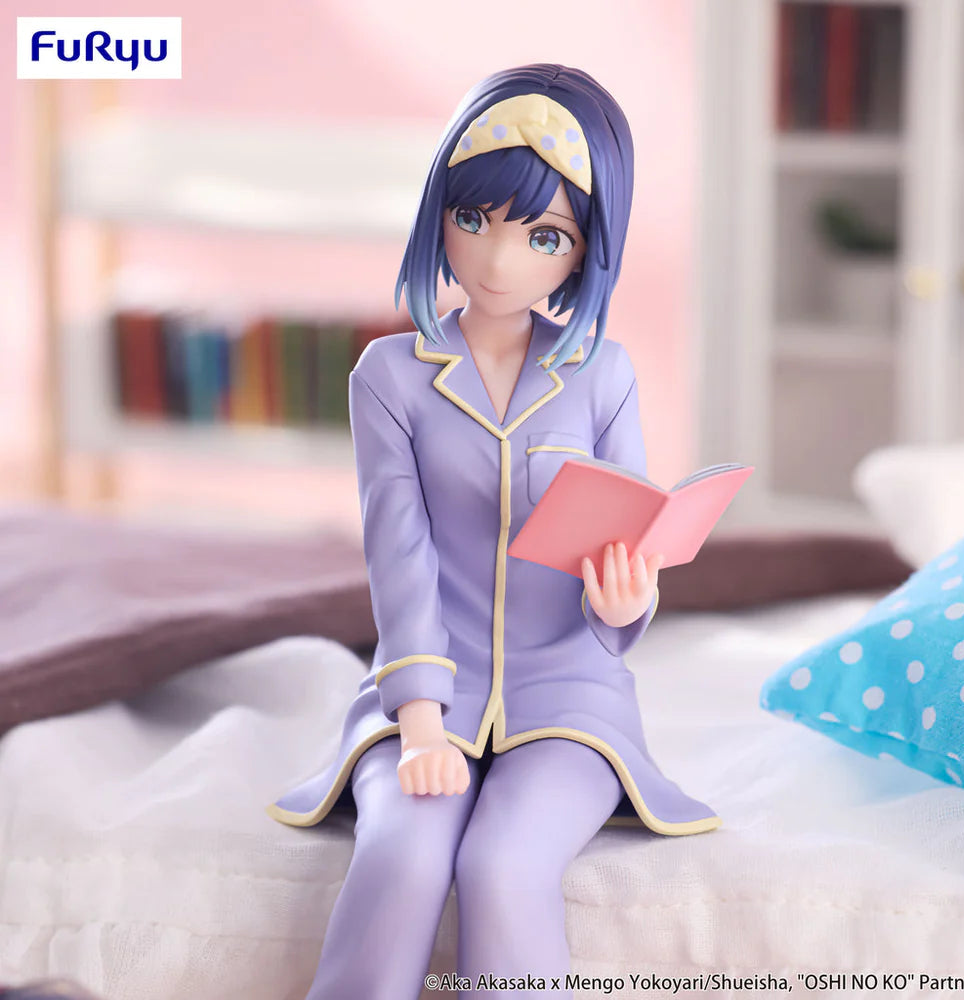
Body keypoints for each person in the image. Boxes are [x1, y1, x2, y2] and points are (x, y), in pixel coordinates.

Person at [268, 63, 719, 1000]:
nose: (500, 261)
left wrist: (625, 602)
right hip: (427, 692)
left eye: (543, 235)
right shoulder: (388, 378)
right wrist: (420, 725)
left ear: (585, 251)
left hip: (571, 699)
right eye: (473, 218)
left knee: (505, 865)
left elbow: (625, 544)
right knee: (402, 853)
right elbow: (399, 559)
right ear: (439, 212)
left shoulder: (603, 375)